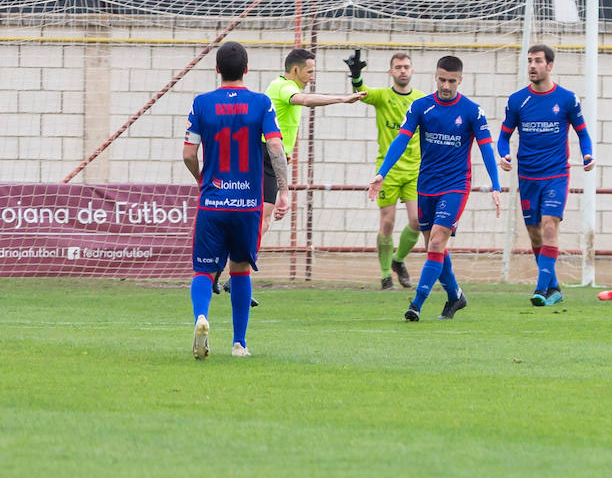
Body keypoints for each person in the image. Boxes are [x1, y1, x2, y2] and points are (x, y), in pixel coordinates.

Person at [214, 47, 364, 302]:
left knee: (262, 219)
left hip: (272, 158)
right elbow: (303, 100)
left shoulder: (284, 87)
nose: (312, 76)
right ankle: (228, 273)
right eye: (310, 71)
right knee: (254, 219)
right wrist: (342, 99)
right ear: (295, 70)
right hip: (261, 155)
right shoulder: (283, 87)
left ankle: (233, 277)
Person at [367, 55, 502, 321]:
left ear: (460, 80)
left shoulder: (472, 111)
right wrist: (382, 173)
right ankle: (455, 297)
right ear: (435, 77)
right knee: (434, 247)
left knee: (438, 241)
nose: (446, 85)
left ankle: (416, 303)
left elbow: (487, 148)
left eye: (452, 81)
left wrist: (496, 185)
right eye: (442, 79)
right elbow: (400, 141)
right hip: (426, 185)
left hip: (455, 186)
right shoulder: (421, 106)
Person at [182, 41, 289, 358]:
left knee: (203, 270)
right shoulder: (261, 103)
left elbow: (188, 154)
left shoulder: (201, 103)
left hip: (213, 203)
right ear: (246, 69)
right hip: (248, 205)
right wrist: (283, 190)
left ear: (217, 70)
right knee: (240, 269)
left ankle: (202, 317)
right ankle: (239, 344)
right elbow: (275, 148)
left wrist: (201, 178)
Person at [498, 43, 595, 306]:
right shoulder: (517, 100)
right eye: (529, 60)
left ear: (550, 66)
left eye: (538, 61)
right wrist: (503, 154)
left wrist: (587, 154)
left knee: (550, 224)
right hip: (527, 176)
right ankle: (554, 289)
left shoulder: (566, 99)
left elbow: (582, 133)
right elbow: (504, 137)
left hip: (556, 174)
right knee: (535, 234)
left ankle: (540, 289)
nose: (532, 65)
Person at [345, 49, 426, 290]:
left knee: (417, 221)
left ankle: (398, 260)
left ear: (412, 71)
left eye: (406, 67)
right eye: (398, 67)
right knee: (387, 222)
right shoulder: (382, 96)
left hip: (414, 170)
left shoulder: (421, 99)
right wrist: (356, 75)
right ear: (391, 72)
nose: (403, 71)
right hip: (387, 171)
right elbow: (361, 93)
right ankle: (385, 276)